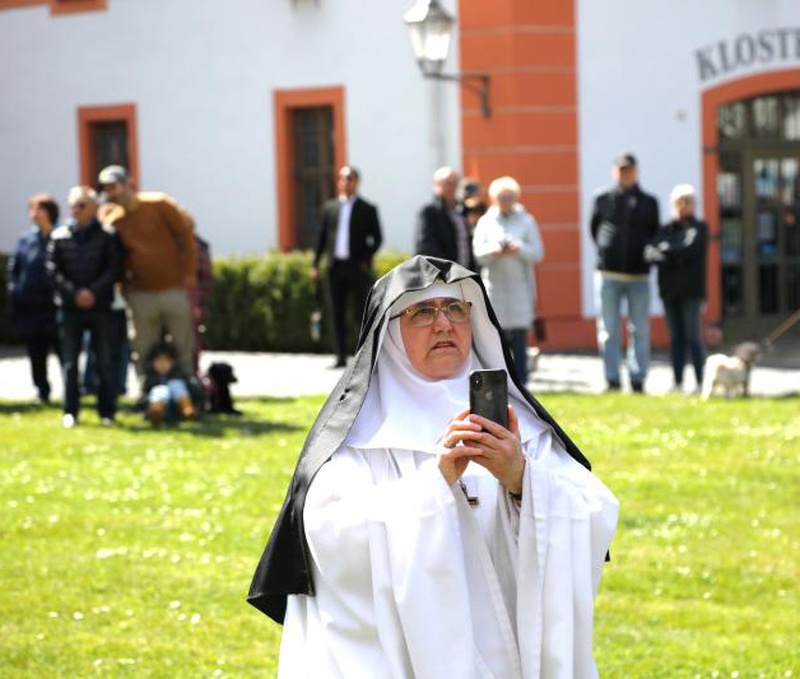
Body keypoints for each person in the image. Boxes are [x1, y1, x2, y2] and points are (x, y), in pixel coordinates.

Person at [249, 255, 619, 677]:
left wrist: (522, 480)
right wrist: (434, 484)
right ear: (389, 333)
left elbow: (593, 511)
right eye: (422, 312)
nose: (444, 324)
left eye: (456, 309)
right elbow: (331, 541)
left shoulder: (520, 429)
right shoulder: (360, 439)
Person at [98, 165, 198, 391]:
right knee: (143, 347)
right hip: (141, 294)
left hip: (174, 288)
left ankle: (189, 393)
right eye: (106, 189)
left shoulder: (158, 204)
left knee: (183, 344)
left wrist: (189, 274)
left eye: (113, 186)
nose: (110, 193)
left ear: (128, 184)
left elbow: (187, 236)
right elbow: (115, 259)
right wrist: (125, 290)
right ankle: (148, 394)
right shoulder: (114, 222)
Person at [47, 186, 121, 427]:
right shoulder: (59, 236)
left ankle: (106, 412)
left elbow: (114, 269)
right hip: (70, 309)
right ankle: (71, 411)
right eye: (73, 206)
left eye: (81, 205)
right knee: (70, 363)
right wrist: (75, 293)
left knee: (104, 361)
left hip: (100, 308)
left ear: (93, 208)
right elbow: (53, 271)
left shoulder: (108, 235)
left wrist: (92, 292)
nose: (75, 210)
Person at [590, 153, 659, 393]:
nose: (625, 174)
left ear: (636, 172)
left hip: (638, 276)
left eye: (629, 170)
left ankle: (638, 379)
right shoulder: (603, 199)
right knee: (609, 330)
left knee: (639, 329)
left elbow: (653, 232)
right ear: (615, 172)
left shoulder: (649, 202)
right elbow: (595, 229)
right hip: (608, 275)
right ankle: (612, 379)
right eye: (621, 170)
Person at [473, 176, 545, 384]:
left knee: (521, 336)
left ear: (516, 197)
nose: (506, 200)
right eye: (501, 197)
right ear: (494, 198)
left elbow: (538, 253)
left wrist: (519, 248)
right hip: (495, 286)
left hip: (520, 287)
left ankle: (522, 380)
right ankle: (501, 380)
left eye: (509, 196)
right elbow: (478, 254)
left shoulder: (526, 220)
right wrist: (495, 251)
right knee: (498, 336)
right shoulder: (485, 221)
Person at [311, 166, 382, 368]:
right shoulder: (329, 208)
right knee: (336, 312)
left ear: (357, 182)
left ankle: (362, 358)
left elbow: (377, 239)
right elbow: (322, 238)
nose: (346, 182)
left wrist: (364, 260)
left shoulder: (367, 209)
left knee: (361, 313)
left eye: (350, 178)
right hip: (334, 268)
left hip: (356, 268)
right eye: (342, 178)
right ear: (338, 182)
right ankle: (340, 357)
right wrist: (315, 264)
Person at [645, 184, 708, 393]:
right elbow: (650, 253)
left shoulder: (699, 228)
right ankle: (678, 382)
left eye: (687, 202)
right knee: (676, 338)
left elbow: (690, 249)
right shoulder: (665, 229)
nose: (683, 206)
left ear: (694, 205)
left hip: (691, 292)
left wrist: (667, 252)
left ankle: (701, 382)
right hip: (670, 292)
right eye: (679, 202)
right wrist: (674, 254)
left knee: (693, 336)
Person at [7, 194, 61, 403]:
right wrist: (15, 290)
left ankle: (73, 389)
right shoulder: (26, 239)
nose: (34, 214)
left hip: (54, 306)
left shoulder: (61, 236)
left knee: (63, 350)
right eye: (32, 209)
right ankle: (42, 390)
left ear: (50, 212)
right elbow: (15, 267)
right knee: (36, 352)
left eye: (38, 209)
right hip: (31, 307)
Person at [415, 166, 476, 270]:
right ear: (436, 186)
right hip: (441, 276)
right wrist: (447, 270)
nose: (451, 187)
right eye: (446, 184)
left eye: (454, 183)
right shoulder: (429, 212)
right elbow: (426, 247)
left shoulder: (463, 211)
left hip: (466, 274)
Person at [142, 341, 195, 425]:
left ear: (173, 362)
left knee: (175, 384)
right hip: (162, 405)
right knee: (160, 389)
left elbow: (194, 392)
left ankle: (187, 409)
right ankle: (156, 411)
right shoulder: (151, 379)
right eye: (158, 360)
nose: (162, 364)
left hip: (177, 406)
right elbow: (144, 396)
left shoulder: (180, 376)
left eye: (166, 360)